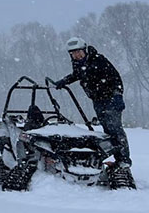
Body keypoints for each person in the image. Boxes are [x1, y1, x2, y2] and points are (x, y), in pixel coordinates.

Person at [54, 37, 132, 169]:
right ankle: (117, 158)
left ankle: (124, 160)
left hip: (111, 99)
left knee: (115, 129)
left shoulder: (98, 60)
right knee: (107, 130)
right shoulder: (78, 64)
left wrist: (118, 95)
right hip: (97, 100)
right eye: (73, 53)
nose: (77, 55)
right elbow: (77, 75)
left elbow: (115, 77)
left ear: (85, 50)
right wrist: (64, 81)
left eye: (79, 52)